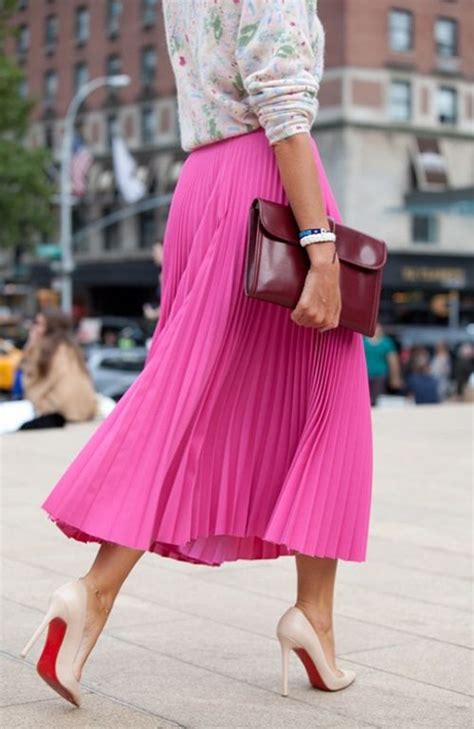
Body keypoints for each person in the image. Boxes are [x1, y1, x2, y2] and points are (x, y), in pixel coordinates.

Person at [21, 2, 373, 706]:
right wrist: (321, 247)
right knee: (332, 404)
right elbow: (283, 111)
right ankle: (314, 618)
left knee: (185, 396)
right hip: (271, 188)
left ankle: (91, 598)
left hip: (204, 186)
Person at [0, 309, 97, 434]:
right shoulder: (71, 348)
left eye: (38, 324)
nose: (34, 327)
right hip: (83, 410)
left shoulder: (45, 349)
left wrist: (30, 343)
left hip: (58, 411)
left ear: (50, 327)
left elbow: (27, 380)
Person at [363, 323, 402, 406]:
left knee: (378, 400)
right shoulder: (363, 342)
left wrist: (395, 378)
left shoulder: (386, 343)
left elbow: (393, 362)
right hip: (364, 376)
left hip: (380, 375)